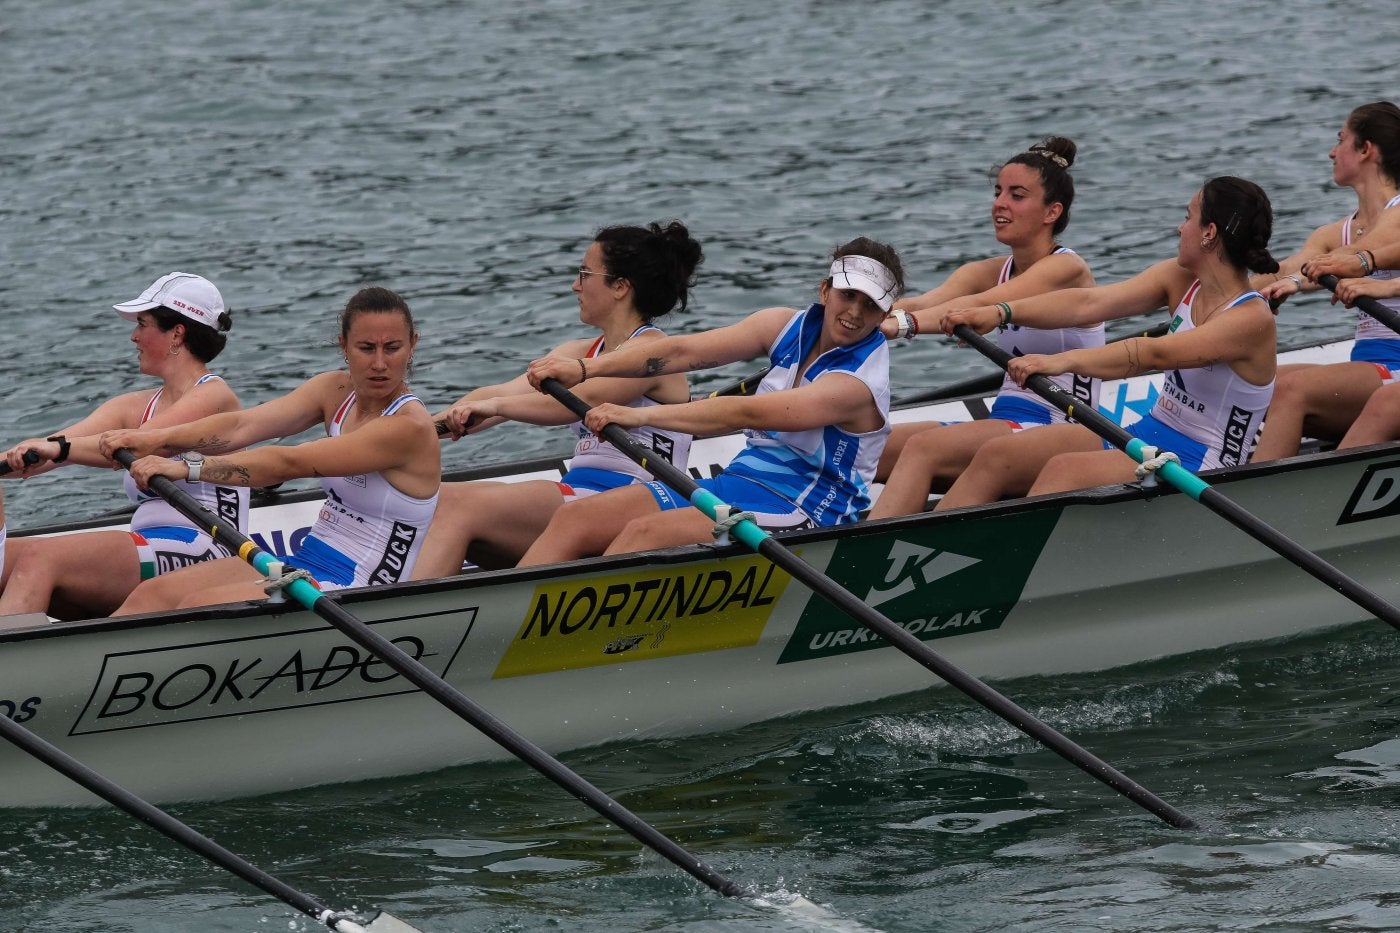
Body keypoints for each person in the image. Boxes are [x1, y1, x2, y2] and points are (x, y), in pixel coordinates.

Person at [516, 238, 903, 565]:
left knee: (646, 533)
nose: (854, 312)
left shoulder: (855, 383)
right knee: (577, 518)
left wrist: (636, 418)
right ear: (825, 291)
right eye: (847, 295)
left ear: (884, 312)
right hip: (737, 483)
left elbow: (745, 411)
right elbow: (680, 351)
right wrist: (585, 369)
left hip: (806, 513)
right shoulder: (784, 325)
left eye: (869, 305)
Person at [931, 176, 1278, 509]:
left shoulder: (1250, 319)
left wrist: (1061, 361)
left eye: (1188, 218)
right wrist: (1001, 312)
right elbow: (1088, 303)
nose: (1180, 227)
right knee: (1000, 452)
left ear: (1209, 233)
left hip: (1203, 461)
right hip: (1151, 430)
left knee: (1063, 471)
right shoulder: (1181, 278)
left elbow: (1154, 354)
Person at [99, 286, 439, 614]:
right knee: (155, 594)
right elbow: (242, 425)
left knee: (194, 608)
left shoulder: (408, 426)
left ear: (413, 346)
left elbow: (290, 462)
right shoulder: (334, 389)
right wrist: (154, 439)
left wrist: (186, 466)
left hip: (362, 587)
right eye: (366, 348)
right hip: (305, 564)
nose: (379, 363)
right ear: (344, 347)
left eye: (392, 348)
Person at [411, 221, 702, 577]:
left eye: (584, 273)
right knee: (433, 501)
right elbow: (497, 394)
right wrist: (407, 437)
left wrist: (497, 408)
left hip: (638, 498)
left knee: (455, 506)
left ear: (620, 287)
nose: (575, 285)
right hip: (580, 492)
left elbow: (567, 403)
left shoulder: (654, 352)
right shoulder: (578, 352)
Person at [870, 137, 1099, 518]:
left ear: (1051, 212)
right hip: (1007, 418)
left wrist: (902, 327)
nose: (1000, 203)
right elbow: (927, 303)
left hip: (1063, 422)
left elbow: (983, 305)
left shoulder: (1067, 269)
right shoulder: (989, 270)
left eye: (1017, 195)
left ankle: (882, 554)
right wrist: (853, 317)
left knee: (925, 448)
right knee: (876, 447)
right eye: (998, 192)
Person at [0, 273, 244, 621]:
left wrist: (56, 448)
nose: (133, 336)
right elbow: (46, 453)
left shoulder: (214, 397)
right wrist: (31, 454)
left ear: (177, 333)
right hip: (151, 546)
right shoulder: (134, 406)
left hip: (209, 549)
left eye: (143, 324)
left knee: (42, 556)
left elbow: (132, 447)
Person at [1248, 101, 1400, 461]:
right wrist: (1224, 295)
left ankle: (1267, 496)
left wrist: (1301, 282)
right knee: (1253, 388)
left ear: (1366, 149)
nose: (1332, 151)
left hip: (1396, 369)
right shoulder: (1335, 232)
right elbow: (1291, 267)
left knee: (1293, 388)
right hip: (1368, 369)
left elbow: (1354, 256)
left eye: (1341, 139)